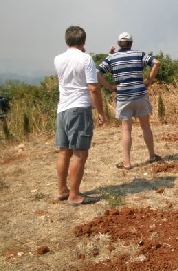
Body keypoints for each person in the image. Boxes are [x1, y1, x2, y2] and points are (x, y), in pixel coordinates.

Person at [54, 26, 105, 205]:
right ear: (83, 41)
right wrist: (100, 111)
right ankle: (74, 195)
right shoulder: (86, 59)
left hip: (62, 110)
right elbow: (93, 87)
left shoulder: (58, 59)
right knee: (80, 153)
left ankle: (62, 190)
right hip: (79, 108)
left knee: (64, 151)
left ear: (67, 40)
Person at [97, 32, 161, 170]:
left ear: (119, 44)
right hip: (140, 94)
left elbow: (97, 72)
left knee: (126, 130)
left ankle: (127, 163)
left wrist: (109, 86)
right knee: (146, 127)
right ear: (131, 43)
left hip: (123, 96)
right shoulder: (139, 54)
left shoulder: (112, 58)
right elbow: (156, 63)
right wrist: (149, 80)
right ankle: (151, 156)